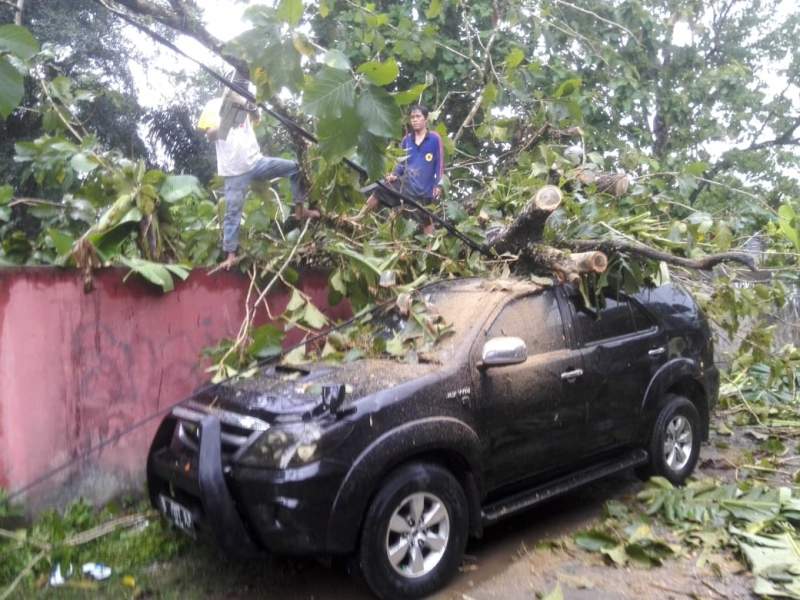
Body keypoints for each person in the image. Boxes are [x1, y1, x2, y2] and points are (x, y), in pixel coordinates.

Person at [197, 91, 319, 270]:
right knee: (233, 212)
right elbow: (210, 135)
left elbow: (256, 118)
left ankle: (300, 209)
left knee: (294, 168)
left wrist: (251, 107)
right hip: (234, 171)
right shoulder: (213, 106)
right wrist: (228, 120)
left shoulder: (244, 100)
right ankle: (230, 255)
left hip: (255, 161)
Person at [358, 104, 444, 234]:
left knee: (426, 218)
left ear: (425, 119)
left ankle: (430, 249)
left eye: (418, 116)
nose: (414, 119)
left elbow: (440, 164)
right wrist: (394, 175)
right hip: (406, 184)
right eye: (412, 117)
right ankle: (359, 217)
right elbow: (401, 164)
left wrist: (439, 185)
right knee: (381, 188)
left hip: (425, 190)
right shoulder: (407, 140)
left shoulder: (434, 138)